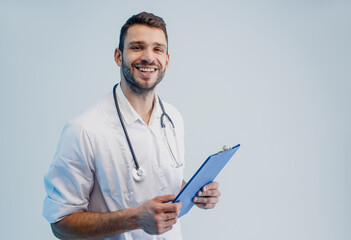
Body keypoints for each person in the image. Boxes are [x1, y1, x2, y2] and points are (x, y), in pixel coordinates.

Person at [43, 12, 221, 240]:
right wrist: (135, 219)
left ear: (167, 60)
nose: (148, 57)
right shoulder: (84, 130)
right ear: (118, 56)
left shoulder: (174, 118)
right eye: (137, 47)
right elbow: (60, 224)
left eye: (157, 49)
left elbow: (161, 180)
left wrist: (196, 193)